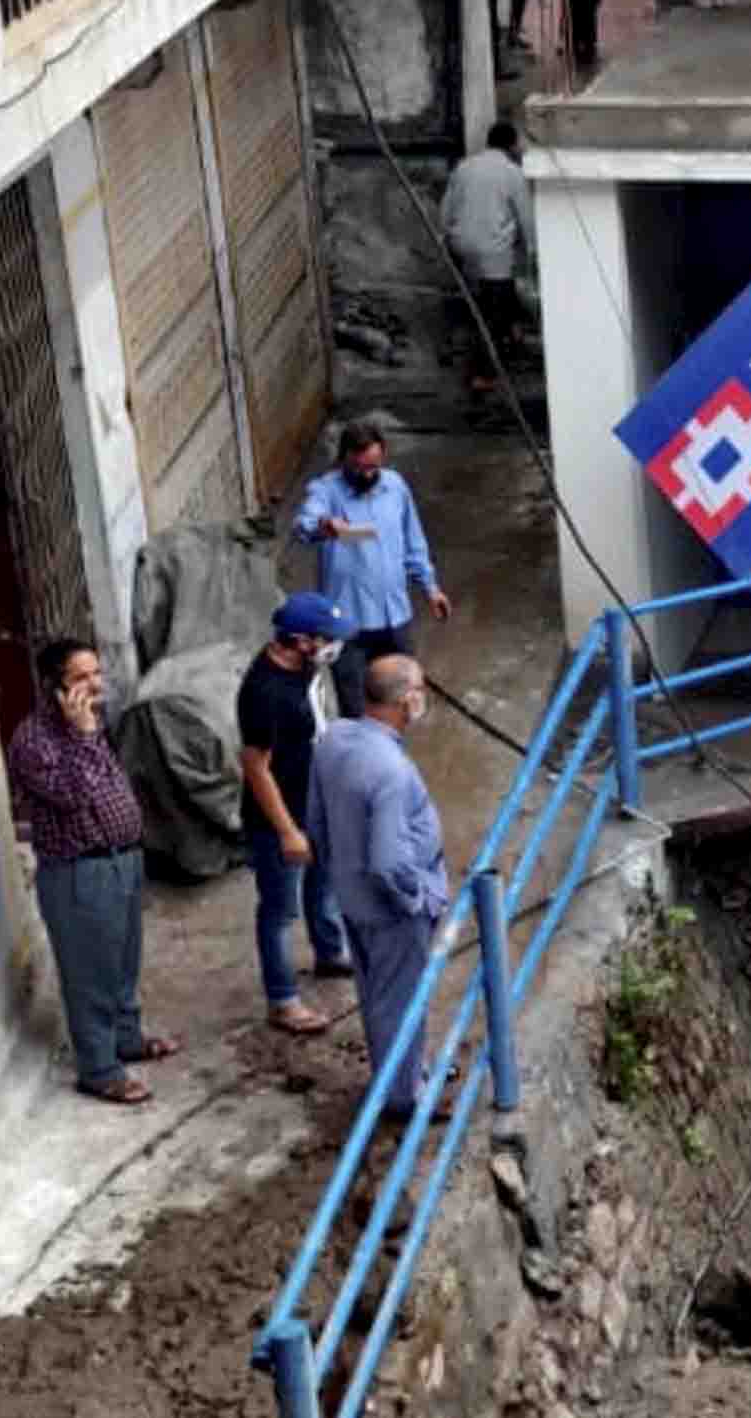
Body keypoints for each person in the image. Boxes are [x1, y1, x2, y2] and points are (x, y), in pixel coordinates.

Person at [6, 638, 174, 1105]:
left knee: (122, 962)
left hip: (121, 860)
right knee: (90, 974)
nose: (95, 684)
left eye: (95, 673)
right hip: (80, 872)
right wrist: (81, 733)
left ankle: (127, 1037)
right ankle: (100, 1068)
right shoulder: (33, 741)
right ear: (53, 686)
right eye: (81, 678)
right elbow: (71, 795)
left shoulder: (91, 725)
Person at [311, 653, 454, 1106]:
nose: (423, 700)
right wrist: (421, 898)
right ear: (406, 699)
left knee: (379, 994)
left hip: (352, 895)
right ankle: (406, 1094)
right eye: (420, 691)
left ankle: (401, 1071)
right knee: (402, 998)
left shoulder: (333, 740)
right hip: (392, 908)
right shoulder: (392, 771)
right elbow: (390, 862)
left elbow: (316, 821)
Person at [239, 593, 358, 1035]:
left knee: (323, 884)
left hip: (317, 800)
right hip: (280, 817)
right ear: (300, 640)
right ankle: (282, 999)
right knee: (278, 911)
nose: (334, 648)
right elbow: (255, 767)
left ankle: (329, 952)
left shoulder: (307, 667)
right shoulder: (263, 692)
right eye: (328, 639)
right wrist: (288, 831)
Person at [295, 423, 451, 714]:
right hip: (349, 625)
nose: (369, 474)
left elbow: (413, 541)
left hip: (394, 618)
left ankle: (392, 754)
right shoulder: (326, 491)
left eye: (374, 467)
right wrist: (323, 526)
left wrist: (431, 588)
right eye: (361, 468)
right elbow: (303, 525)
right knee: (355, 706)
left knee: (403, 699)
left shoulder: (394, 486)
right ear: (345, 459)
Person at [442, 122, 534, 396]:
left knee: (491, 299)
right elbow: (525, 218)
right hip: (492, 251)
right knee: (493, 312)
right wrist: (533, 252)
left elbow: (446, 210)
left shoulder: (464, 167)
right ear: (511, 144)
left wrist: (448, 238)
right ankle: (481, 374)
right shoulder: (513, 173)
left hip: (460, 245)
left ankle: (514, 336)